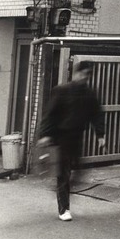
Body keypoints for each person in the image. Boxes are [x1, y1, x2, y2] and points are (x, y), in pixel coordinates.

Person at [37, 60, 106, 221]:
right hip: (60, 137)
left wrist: (100, 135)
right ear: (75, 73)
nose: (85, 77)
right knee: (63, 174)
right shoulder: (61, 91)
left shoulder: (89, 94)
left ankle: (61, 191)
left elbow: (97, 114)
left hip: (77, 137)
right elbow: (50, 114)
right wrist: (45, 134)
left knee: (79, 171)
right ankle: (64, 209)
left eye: (88, 75)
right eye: (82, 74)